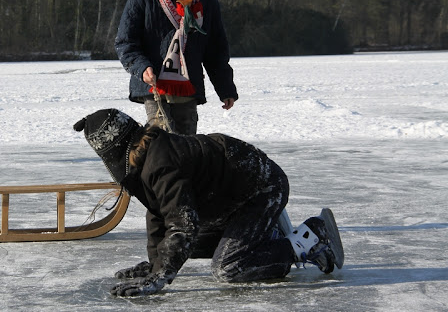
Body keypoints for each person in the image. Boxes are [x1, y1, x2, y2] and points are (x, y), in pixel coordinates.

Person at [73, 109, 344, 297]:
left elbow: (182, 227)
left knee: (228, 268)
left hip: (261, 188)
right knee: (179, 249)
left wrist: (159, 279)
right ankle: (265, 234)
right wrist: (155, 264)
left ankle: (309, 238)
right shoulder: (146, 159)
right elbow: (159, 214)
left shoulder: (161, 165)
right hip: (230, 196)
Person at [115, 0, 238, 135]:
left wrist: (225, 88)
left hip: (187, 88)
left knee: (186, 150)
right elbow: (126, 42)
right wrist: (142, 67)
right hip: (155, 87)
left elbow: (215, 49)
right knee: (162, 148)